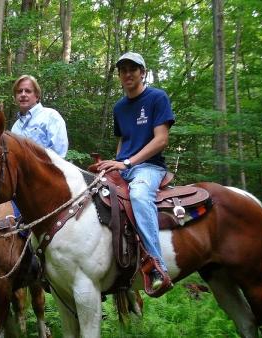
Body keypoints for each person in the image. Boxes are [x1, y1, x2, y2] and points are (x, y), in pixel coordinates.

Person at [96, 52, 175, 291]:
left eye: (133, 68)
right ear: (119, 76)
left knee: (139, 196)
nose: (128, 73)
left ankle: (156, 266)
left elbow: (161, 140)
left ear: (143, 72)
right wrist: (115, 162)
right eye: (123, 70)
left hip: (149, 168)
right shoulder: (119, 107)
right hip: (124, 166)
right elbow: (124, 141)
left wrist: (128, 163)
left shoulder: (157, 98)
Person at [11, 75, 68, 158]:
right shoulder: (15, 127)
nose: (23, 94)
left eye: (28, 91)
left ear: (37, 96)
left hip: (50, 170)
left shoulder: (50, 116)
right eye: (19, 91)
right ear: (15, 97)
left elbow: (59, 153)